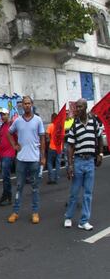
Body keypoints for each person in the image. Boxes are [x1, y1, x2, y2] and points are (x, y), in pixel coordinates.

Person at [64, 98, 104, 230]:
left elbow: (99, 137)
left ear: (85, 108)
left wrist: (100, 153)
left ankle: (84, 221)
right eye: (76, 107)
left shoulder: (93, 122)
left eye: (80, 107)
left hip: (90, 162)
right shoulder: (74, 125)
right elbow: (70, 146)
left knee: (88, 193)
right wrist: (70, 165)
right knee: (74, 192)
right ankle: (68, 217)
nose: (77, 109)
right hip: (79, 162)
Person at [7, 96, 46, 224]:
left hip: (34, 159)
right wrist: (14, 145)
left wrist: (43, 156)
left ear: (32, 104)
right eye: (25, 104)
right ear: (22, 106)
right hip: (21, 159)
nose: (27, 105)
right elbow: (9, 133)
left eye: (29, 103)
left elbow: (42, 139)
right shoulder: (18, 121)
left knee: (35, 187)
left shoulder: (38, 120)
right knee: (19, 187)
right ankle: (15, 212)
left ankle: (35, 212)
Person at [0, 109, 16, 206]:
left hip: (9, 153)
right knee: (4, 176)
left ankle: (8, 197)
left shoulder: (12, 125)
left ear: (8, 115)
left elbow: (17, 136)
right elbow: (0, 139)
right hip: (2, 154)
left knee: (6, 176)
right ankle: (5, 196)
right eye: (1, 115)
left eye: (4, 115)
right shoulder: (2, 126)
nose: (2, 117)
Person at [45, 112, 63, 185]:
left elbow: (47, 135)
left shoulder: (50, 125)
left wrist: (49, 139)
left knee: (49, 162)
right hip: (59, 147)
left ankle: (51, 178)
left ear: (52, 118)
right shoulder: (60, 126)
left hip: (52, 147)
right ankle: (57, 178)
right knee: (58, 163)